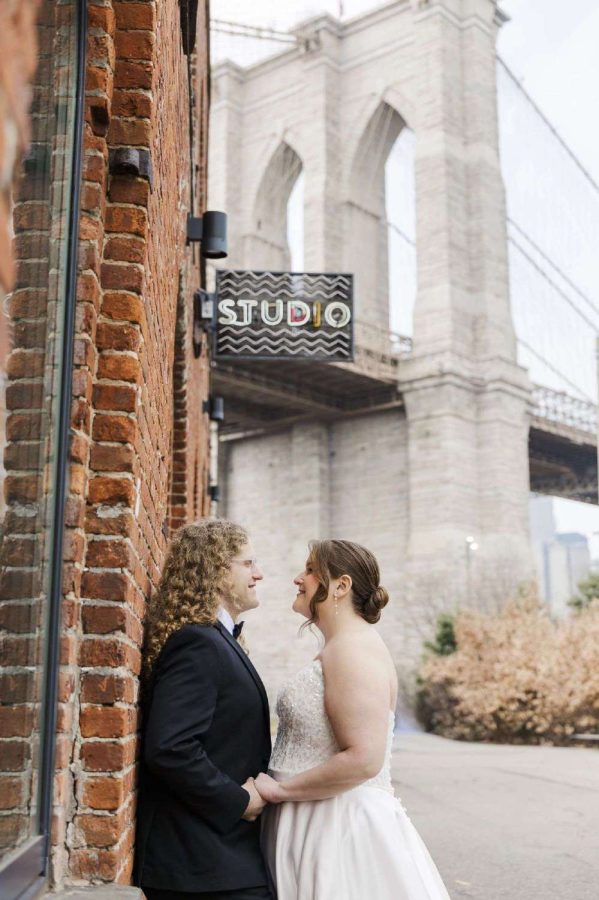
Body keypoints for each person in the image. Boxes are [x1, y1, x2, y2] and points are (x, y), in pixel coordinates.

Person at [256, 539, 450, 900]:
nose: (299, 579)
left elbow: (364, 758)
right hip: (312, 820)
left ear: (341, 586)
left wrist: (280, 791)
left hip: (336, 830)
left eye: (311, 570)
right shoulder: (341, 645)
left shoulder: (353, 649)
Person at [134, 520, 273, 900]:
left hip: (218, 858)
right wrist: (239, 800)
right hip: (200, 862)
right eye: (248, 563)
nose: (258, 573)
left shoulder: (215, 640)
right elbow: (170, 748)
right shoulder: (198, 642)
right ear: (214, 569)